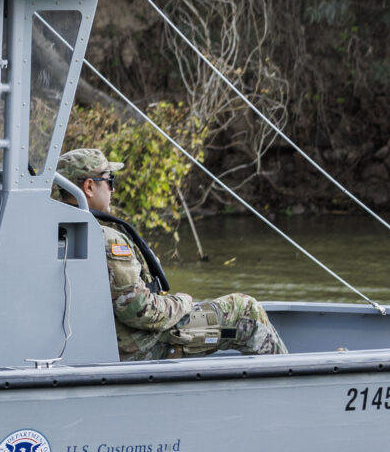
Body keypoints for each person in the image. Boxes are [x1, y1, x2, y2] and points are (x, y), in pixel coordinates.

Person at [59, 147, 285, 360]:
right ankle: (290, 380)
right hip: (145, 345)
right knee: (246, 311)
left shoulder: (60, 231)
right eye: (109, 181)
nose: (113, 189)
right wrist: (182, 302)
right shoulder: (105, 238)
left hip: (109, 341)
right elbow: (140, 311)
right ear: (89, 187)